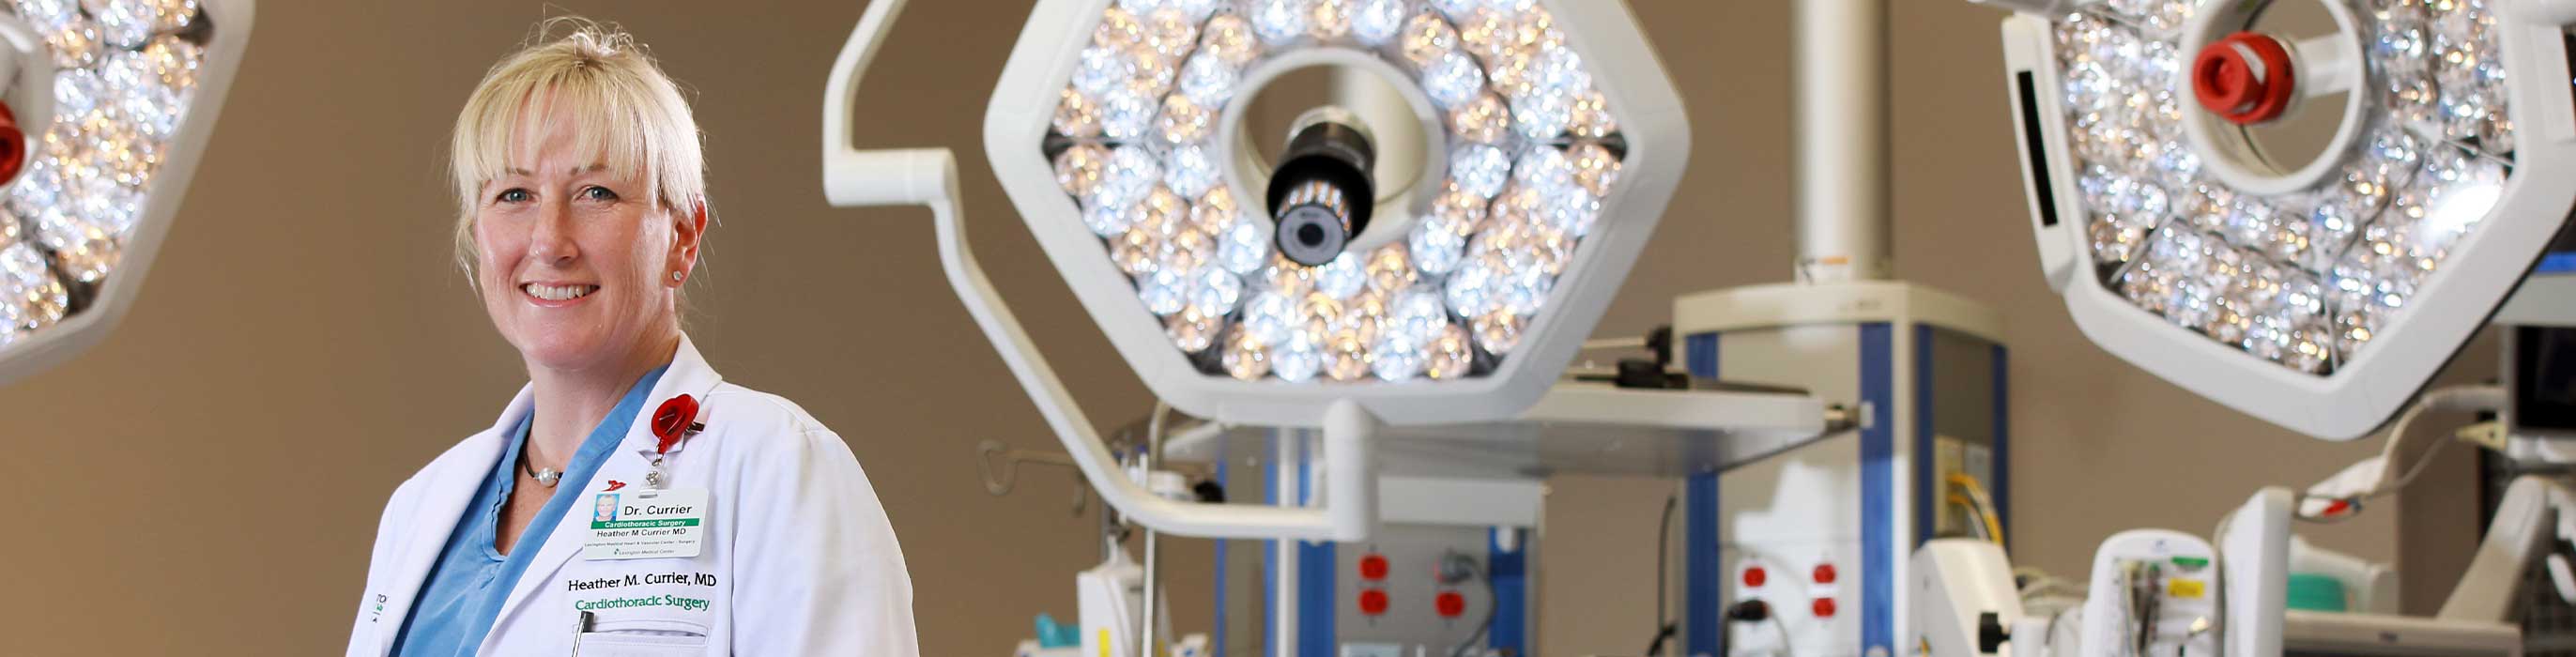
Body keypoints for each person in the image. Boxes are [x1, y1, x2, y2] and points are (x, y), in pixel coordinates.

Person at [346, 20, 919, 655]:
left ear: (683, 236)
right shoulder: (423, 507)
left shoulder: (777, 467)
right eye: (514, 194)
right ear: (477, 237)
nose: (549, 241)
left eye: (597, 192)